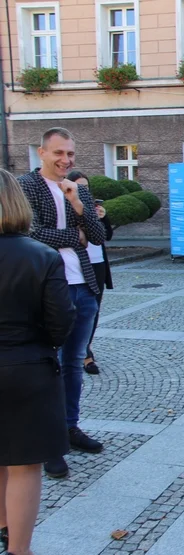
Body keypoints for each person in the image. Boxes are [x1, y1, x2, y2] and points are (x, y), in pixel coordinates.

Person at [18, 127, 106, 479]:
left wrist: (77, 204)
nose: (65, 160)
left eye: (70, 154)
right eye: (58, 153)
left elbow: (98, 237)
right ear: (42, 152)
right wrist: (75, 236)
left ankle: (70, 428)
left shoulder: (78, 188)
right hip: (46, 288)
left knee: (72, 363)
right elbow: (31, 232)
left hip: (83, 286)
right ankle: (49, 443)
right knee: (48, 365)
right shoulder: (27, 186)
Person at [0, 169, 76, 555]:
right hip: (28, 367)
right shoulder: (42, 256)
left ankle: (1, 529)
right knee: (25, 465)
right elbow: (61, 323)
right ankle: (19, 549)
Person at [67, 171, 113, 376]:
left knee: (93, 309)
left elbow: (107, 236)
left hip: (97, 263)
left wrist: (102, 218)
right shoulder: (66, 207)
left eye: (86, 187)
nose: (83, 190)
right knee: (73, 310)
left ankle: (86, 350)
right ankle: (79, 352)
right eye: (79, 186)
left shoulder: (95, 209)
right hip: (76, 264)